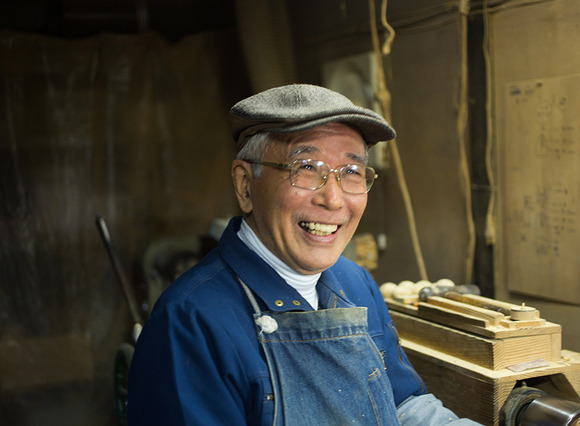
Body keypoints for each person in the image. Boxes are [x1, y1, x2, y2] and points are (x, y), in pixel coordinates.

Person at [127, 84, 478, 425]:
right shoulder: (189, 321)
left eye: (352, 173)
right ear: (245, 185)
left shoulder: (355, 282)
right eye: (307, 168)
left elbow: (401, 405)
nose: (334, 199)